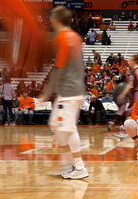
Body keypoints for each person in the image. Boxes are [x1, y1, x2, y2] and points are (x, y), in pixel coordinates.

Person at [39, 6, 88, 179]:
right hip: (74, 90)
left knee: (67, 129)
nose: (50, 20)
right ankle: (72, 161)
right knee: (56, 125)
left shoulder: (62, 38)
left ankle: (79, 166)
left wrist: (47, 91)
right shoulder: (75, 36)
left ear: (56, 20)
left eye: (52, 18)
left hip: (68, 92)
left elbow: (58, 68)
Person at [115, 55, 138, 138]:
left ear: (135, 61)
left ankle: (127, 132)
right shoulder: (133, 71)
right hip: (132, 94)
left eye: (130, 60)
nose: (128, 62)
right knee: (134, 114)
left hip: (137, 93)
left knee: (130, 113)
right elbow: (129, 85)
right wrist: (123, 94)